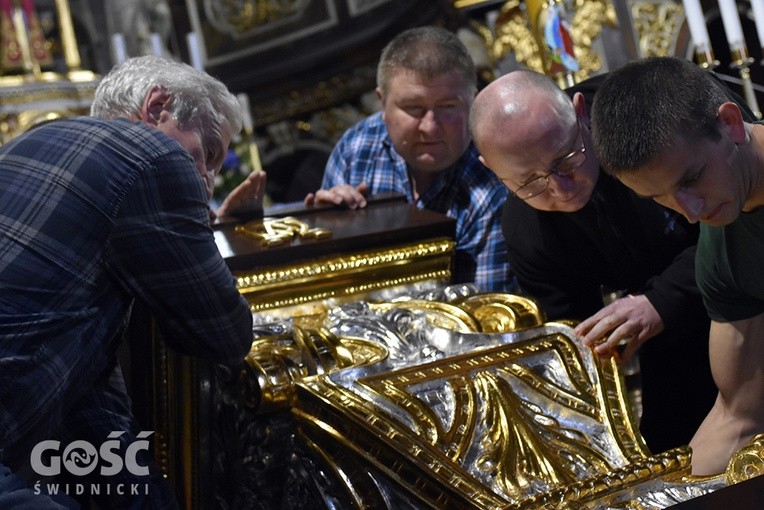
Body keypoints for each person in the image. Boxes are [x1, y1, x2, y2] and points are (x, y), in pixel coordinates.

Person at [0, 55, 254, 507]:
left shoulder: (29, 142)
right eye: (209, 153)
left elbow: (87, 381)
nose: (210, 182)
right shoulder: (154, 156)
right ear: (157, 107)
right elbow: (225, 335)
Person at [469, 69, 717, 455]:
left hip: (742, 283)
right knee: (669, 449)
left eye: (566, 160)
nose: (561, 189)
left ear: (580, 112)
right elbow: (571, 341)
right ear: (492, 170)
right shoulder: (525, 229)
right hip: (668, 330)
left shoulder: (648, 113)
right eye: (530, 181)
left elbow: (740, 220)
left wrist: (662, 300)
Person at [590, 56, 764, 476]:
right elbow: (738, 418)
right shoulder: (720, 248)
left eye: (691, 179)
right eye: (660, 198)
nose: (689, 212)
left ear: (731, 124)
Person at [304, 26, 516, 293]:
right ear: (382, 104)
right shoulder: (356, 150)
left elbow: (489, 312)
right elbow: (327, 290)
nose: (430, 127)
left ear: (472, 101)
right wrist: (327, 233)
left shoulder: (496, 174)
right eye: (414, 109)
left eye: (448, 107)